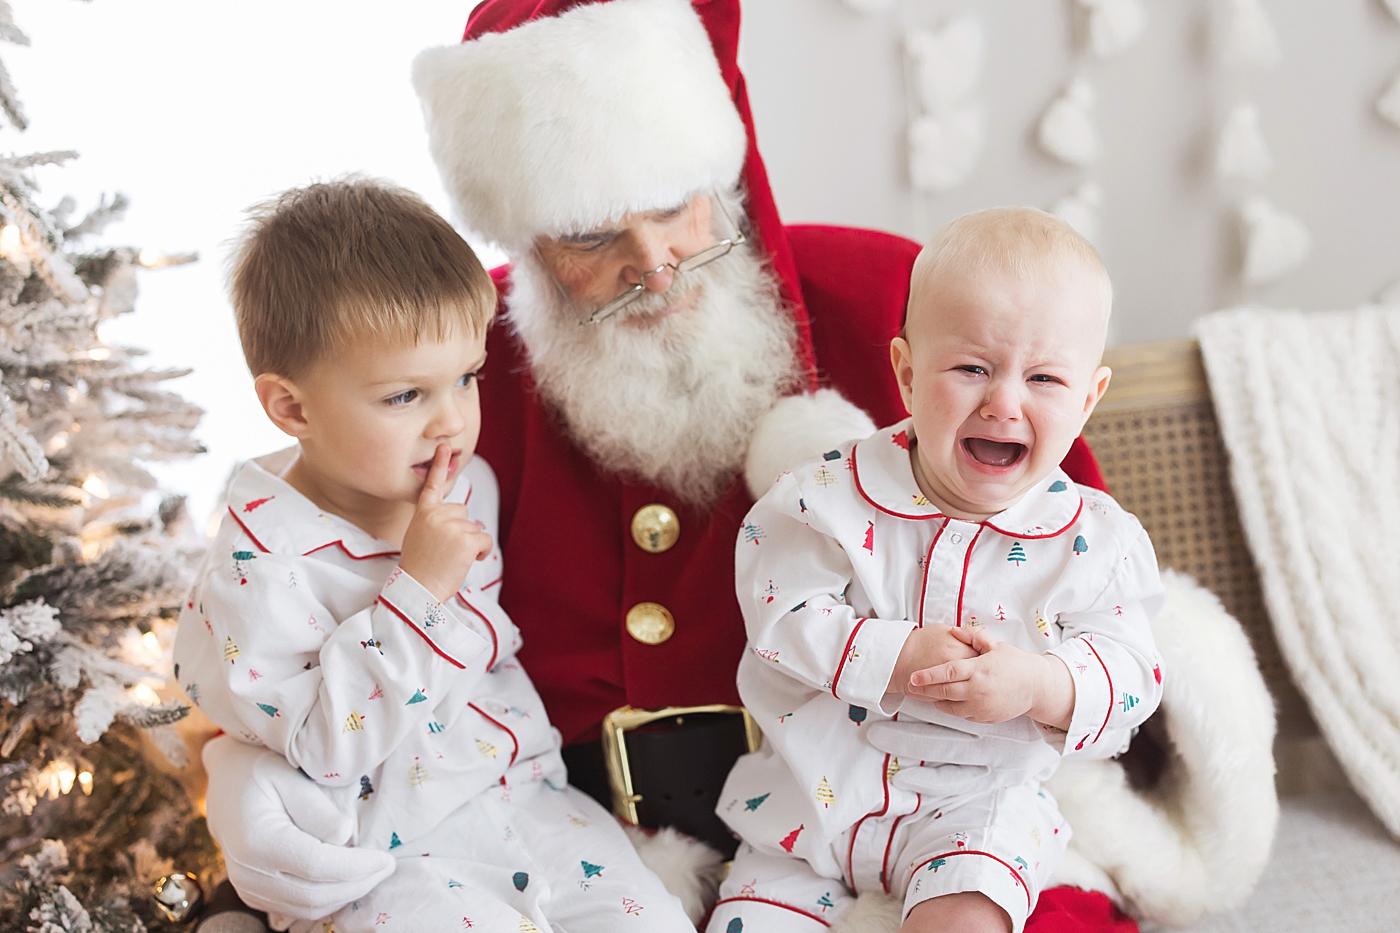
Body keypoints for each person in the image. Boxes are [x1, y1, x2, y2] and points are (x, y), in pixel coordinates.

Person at [196, 3, 1140, 932]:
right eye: (593, 234)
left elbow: (1079, 573)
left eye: (670, 207)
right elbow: (312, 560)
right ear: (528, 243)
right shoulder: (449, 367)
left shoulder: (905, 306)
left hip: (931, 810)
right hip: (604, 840)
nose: (653, 266)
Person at [174, 179, 695, 933]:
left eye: (466, 378)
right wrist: (416, 591)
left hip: (531, 800)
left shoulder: (464, 485)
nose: (452, 420)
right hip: (391, 851)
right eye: (404, 397)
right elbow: (322, 747)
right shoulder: (261, 569)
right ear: (292, 408)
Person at [708, 209, 1166, 933]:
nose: (1005, 402)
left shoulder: (1093, 542)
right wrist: (892, 655)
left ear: (1088, 398)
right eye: (972, 368)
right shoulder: (826, 498)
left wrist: (1041, 684)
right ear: (907, 371)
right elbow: (779, 614)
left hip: (977, 812)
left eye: (1044, 377)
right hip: (811, 802)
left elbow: (1133, 673)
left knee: (966, 918)